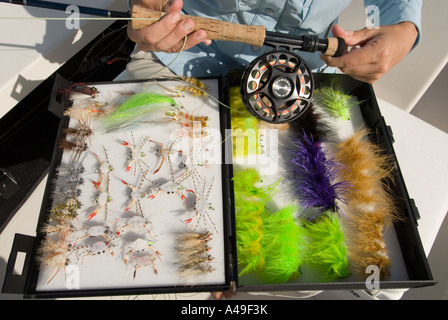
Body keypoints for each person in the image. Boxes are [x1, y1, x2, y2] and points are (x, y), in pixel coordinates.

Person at [126, 0, 422, 84]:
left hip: (304, 78)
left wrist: (402, 28)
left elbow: (387, 4)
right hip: (179, 54)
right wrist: (152, 3)